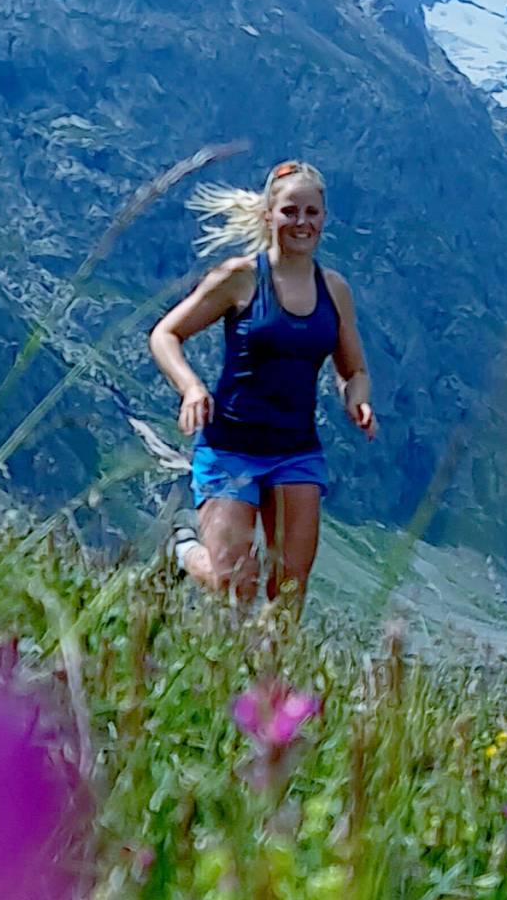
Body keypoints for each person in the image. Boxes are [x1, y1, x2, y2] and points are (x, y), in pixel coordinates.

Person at [148, 160, 376, 616]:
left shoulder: (334, 290)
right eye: (291, 211)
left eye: (312, 212)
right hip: (231, 446)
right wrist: (191, 388)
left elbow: (354, 369)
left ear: (324, 219)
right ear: (269, 215)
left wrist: (358, 398)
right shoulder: (240, 278)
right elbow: (165, 334)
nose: (302, 223)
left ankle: (271, 685)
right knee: (234, 585)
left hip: (296, 452)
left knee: (287, 592)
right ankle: (182, 549)